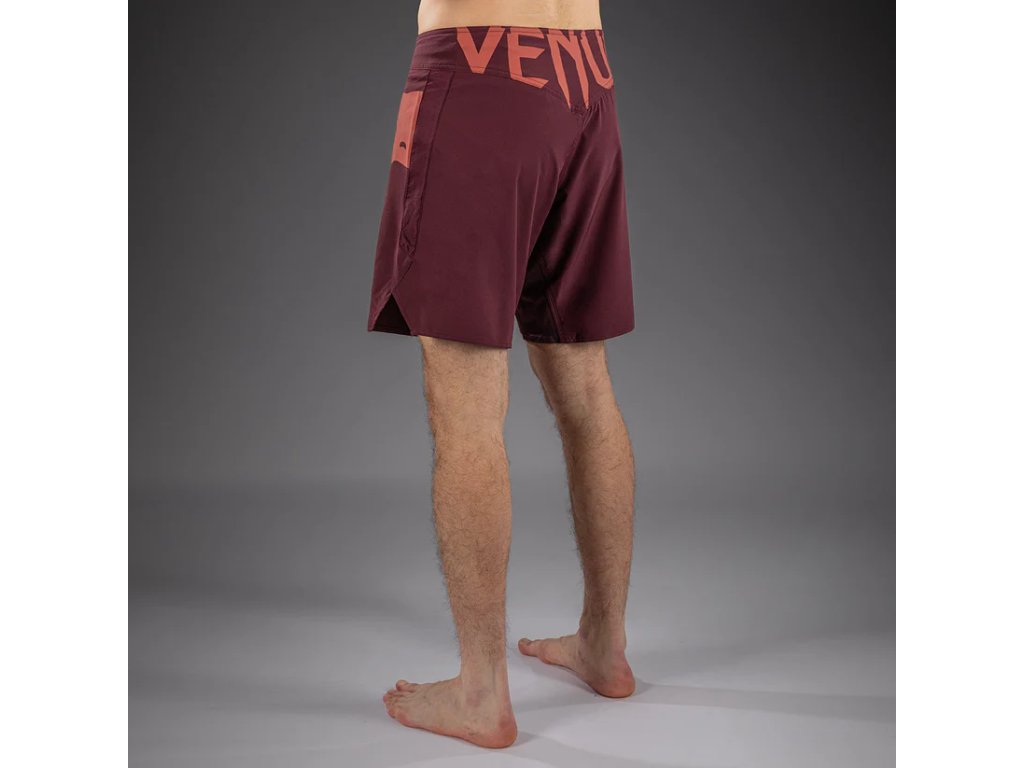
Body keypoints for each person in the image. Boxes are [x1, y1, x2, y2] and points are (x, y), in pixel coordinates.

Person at [368, 0, 636, 748]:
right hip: (586, 74)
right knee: (587, 386)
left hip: (480, 64)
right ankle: (605, 646)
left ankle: (481, 693)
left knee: (465, 406)